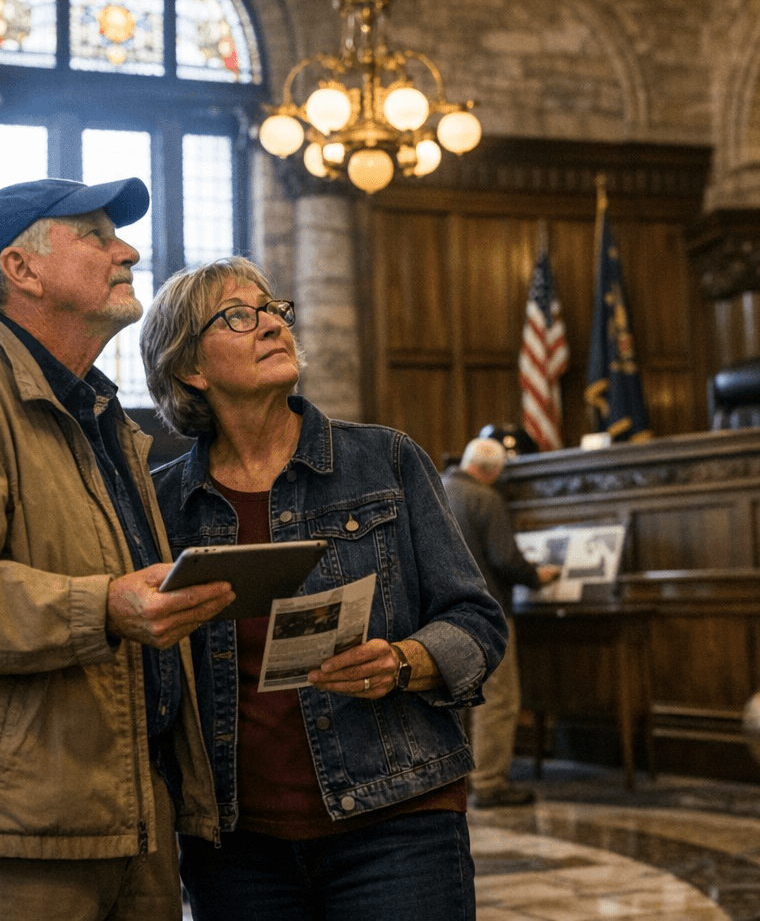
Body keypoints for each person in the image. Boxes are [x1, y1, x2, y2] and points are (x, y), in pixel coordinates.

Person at [0, 177, 236, 921]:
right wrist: (106, 605)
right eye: (94, 235)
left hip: (123, 820)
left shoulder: (96, 416)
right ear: (20, 269)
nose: (126, 251)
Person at [141, 256, 507, 920]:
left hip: (397, 822)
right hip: (234, 844)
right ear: (190, 367)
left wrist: (402, 662)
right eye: (239, 316)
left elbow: (477, 622)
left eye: (274, 310)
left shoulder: (386, 459)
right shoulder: (162, 504)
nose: (272, 325)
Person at [442, 437, 561, 808]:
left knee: (454, 699)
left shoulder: (438, 489)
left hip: (442, 616)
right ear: (493, 472)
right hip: (487, 613)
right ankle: (490, 783)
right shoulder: (485, 498)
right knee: (497, 699)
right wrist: (537, 577)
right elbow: (505, 559)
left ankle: (458, 780)